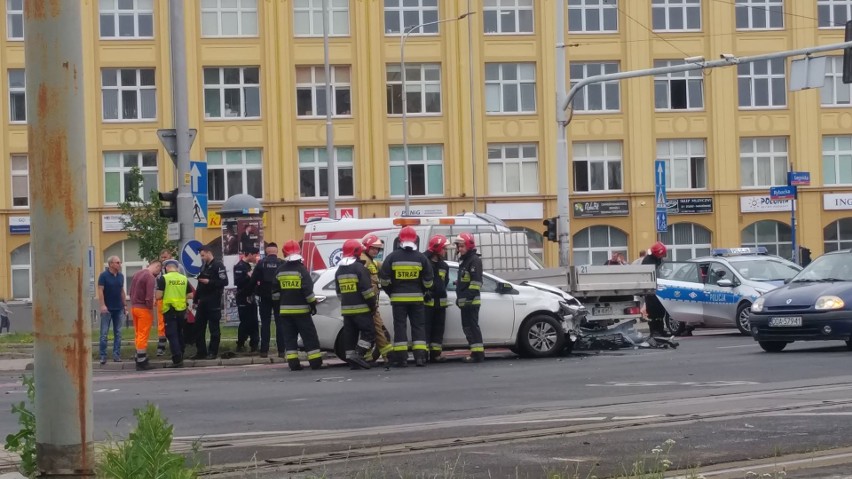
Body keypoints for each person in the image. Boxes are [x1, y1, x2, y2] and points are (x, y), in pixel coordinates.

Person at [379, 226, 433, 368]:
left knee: (400, 327)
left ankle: (401, 359)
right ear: (415, 239)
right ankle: (420, 358)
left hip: (398, 300)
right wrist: (422, 290)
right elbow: (429, 281)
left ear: (399, 239)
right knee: (419, 327)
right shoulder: (421, 258)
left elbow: (383, 279)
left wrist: (392, 291)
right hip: (417, 299)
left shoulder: (392, 257)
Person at [276, 240, 323, 371]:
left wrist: (281, 303)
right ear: (299, 252)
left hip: (285, 313)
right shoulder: (302, 270)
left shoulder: (279, 271)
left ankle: (293, 364)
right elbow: (308, 291)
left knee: (289, 338)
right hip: (302, 312)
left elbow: (274, 293)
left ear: (284, 253)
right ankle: (315, 362)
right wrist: (312, 305)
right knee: (309, 337)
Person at [335, 239, 376, 370]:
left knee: (350, 335)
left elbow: (339, 293)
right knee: (369, 333)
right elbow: (367, 291)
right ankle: (358, 354)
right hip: (362, 310)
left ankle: (352, 360)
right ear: (357, 252)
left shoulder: (339, 271)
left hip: (347, 311)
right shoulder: (360, 269)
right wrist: (372, 306)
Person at [192, 246, 228, 359]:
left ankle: (213, 352)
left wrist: (210, 282)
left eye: (203, 255)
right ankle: (201, 352)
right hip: (202, 301)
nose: (202, 258)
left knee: (214, 328)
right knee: (198, 327)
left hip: (213, 301)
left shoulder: (218, 265)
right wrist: (195, 299)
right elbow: (200, 285)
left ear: (209, 253)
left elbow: (224, 281)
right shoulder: (204, 266)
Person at [156, 259, 194, 368]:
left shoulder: (164, 278)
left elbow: (158, 296)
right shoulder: (183, 278)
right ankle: (181, 353)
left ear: (167, 268)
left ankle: (177, 359)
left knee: (171, 335)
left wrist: (168, 295)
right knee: (179, 333)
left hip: (169, 310)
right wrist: (180, 297)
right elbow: (190, 295)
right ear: (177, 268)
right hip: (182, 310)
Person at [360, 234, 392, 362]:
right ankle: (388, 356)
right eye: (373, 248)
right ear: (367, 247)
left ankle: (368, 357)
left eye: (377, 249)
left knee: (374, 331)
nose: (376, 251)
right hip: (369, 303)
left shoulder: (371, 261)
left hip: (372, 303)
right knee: (379, 330)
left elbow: (383, 266)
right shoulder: (364, 261)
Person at [454, 233, 485, 363]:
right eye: (458, 247)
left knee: (472, 327)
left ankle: (478, 354)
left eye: (462, 246)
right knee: (467, 327)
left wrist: (467, 298)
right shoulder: (466, 261)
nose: (460, 249)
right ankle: (474, 352)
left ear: (468, 245)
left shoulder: (474, 261)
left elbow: (476, 282)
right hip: (465, 302)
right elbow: (466, 280)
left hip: (471, 302)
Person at [251, 241, 285, 358]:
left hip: (264, 297)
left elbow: (253, 281)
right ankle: (281, 351)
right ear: (276, 251)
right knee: (280, 323)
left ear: (266, 251)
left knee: (265, 323)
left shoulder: (261, 264)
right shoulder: (282, 263)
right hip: (279, 298)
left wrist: (251, 292)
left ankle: (264, 351)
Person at [128, 260, 162, 371]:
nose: (158, 273)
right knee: (143, 334)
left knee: (138, 334)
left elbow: (130, 292)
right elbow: (148, 296)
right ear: (157, 266)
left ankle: (138, 355)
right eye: (159, 270)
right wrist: (150, 307)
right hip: (144, 309)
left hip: (134, 307)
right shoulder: (150, 277)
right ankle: (141, 361)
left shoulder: (138, 273)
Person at [424, 235, 450, 363]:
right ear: (437, 249)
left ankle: (435, 354)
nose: (445, 251)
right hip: (427, 304)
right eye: (444, 249)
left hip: (440, 304)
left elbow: (445, 282)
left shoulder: (444, 265)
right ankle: (423, 355)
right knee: (425, 330)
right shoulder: (425, 262)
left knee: (438, 330)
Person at [98, 256, 127, 365]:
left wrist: (125, 305)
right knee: (104, 334)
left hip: (118, 308)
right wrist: (102, 305)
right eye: (117, 262)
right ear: (111, 264)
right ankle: (103, 356)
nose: (120, 264)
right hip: (107, 308)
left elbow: (121, 291)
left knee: (118, 333)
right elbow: (100, 291)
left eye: (120, 262)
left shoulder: (121, 276)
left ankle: (116, 355)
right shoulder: (103, 276)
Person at [234, 246, 260, 352]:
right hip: (243, 297)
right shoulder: (239, 266)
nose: (256, 257)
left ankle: (254, 344)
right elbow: (238, 282)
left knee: (254, 321)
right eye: (255, 255)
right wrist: (248, 276)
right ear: (249, 254)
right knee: (245, 322)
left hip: (251, 297)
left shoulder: (248, 266)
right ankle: (240, 344)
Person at [643, 241, 668, 336]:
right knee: (653, 312)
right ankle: (654, 331)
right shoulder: (648, 261)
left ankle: (660, 330)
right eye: (662, 254)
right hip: (651, 291)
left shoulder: (657, 260)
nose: (663, 256)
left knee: (660, 312)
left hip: (659, 288)